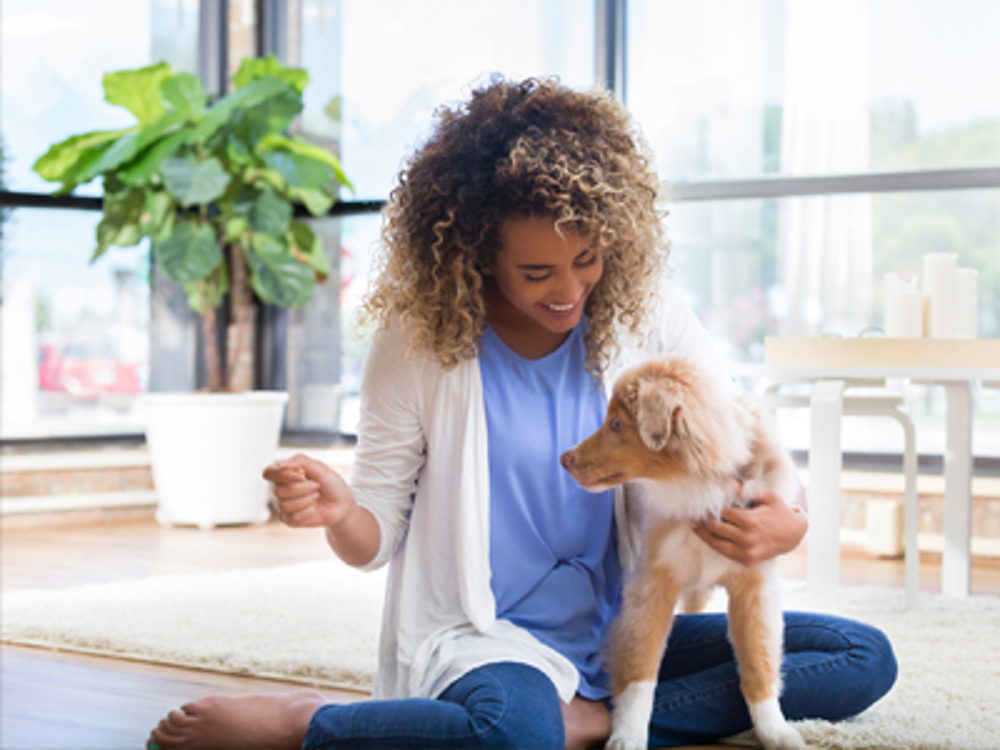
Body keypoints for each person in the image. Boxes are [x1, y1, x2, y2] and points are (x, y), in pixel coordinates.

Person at [148, 76, 896, 750]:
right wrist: (341, 507)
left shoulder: (652, 318)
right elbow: (373, 539)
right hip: (490, 638)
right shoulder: (418, 346)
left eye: (587, 260)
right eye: (536, 272)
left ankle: (599, 719)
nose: (569, 291)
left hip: (625, 623)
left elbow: (740, 444)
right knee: (511, 732)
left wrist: (787, 518)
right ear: (476, 254)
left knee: (860, 658)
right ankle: (305, 722)